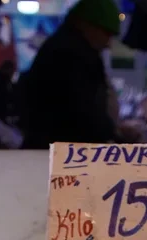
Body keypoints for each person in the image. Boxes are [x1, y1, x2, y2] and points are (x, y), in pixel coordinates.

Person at [18, 0, 128, 149]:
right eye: (107, 34)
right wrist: (114, 134)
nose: (108, 44)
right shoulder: (73, 55)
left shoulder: (62, 47)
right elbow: (83, 111)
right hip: (61, 155)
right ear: (86, 25)